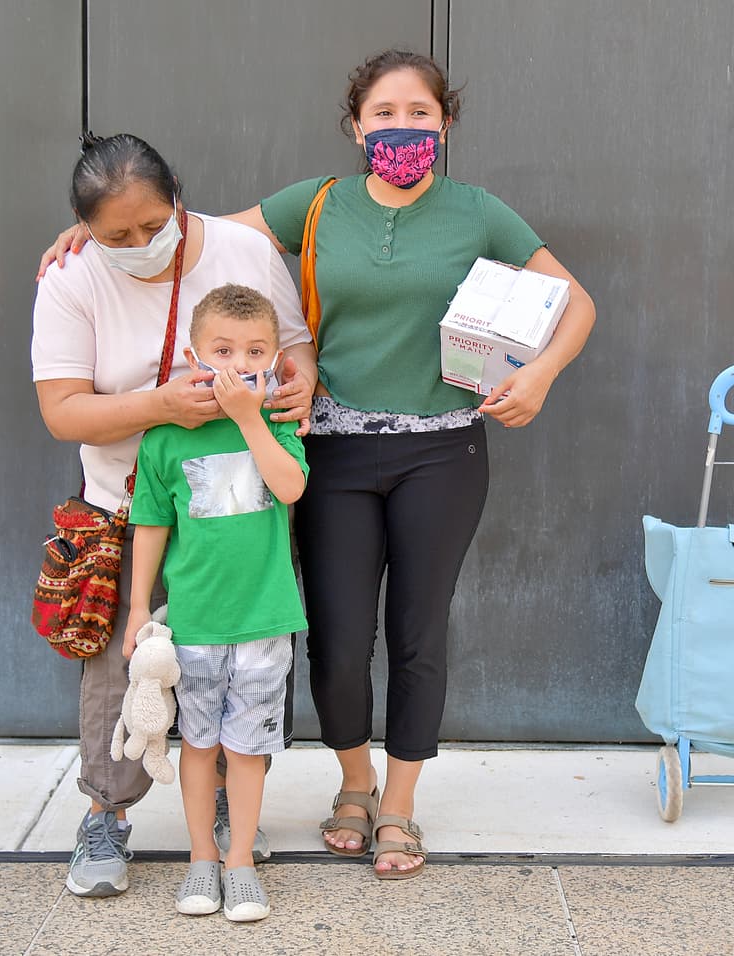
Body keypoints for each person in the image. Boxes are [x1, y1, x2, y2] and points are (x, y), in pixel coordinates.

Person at [38, 50, 596, 881]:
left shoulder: (480, 212)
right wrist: (97, 229)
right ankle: (340, 787)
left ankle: (394, 808)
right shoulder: (318, 204)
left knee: (414, 632)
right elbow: (186, 231)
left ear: (445, 123)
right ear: (355, 123)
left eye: (418, 113)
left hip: (440, 447)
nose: (400, 128)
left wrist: (540, 376)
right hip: (330, 452)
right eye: (383, 113)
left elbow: (574, 299)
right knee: (330, 638)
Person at [31, 133, 316, 899]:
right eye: (115, 235)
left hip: (237, 500)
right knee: (124, 668)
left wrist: (294, 391)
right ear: (83, 228)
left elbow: (293, 348)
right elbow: (62, 410)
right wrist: (160, 408)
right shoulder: (72, 277)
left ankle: (228, 817)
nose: (138, 245)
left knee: (239, 659)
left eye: (152, 226)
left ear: (179, 199)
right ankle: (106, 813)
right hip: (130, 501)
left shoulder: (241, 251)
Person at [124, 283, 307, 922]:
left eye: (255, 349)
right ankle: (202, 858)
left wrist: (252, 415)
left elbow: (289, 489)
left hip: (264, 619)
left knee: (249, 750)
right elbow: (150, 523)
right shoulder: (166, 438)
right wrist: (138, 609)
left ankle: (241, 863)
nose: (238, 362)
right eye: (223, 349)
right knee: (198, 745)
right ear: (194, 353)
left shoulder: (278, 421)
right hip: (195, 621)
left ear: (275, 356)